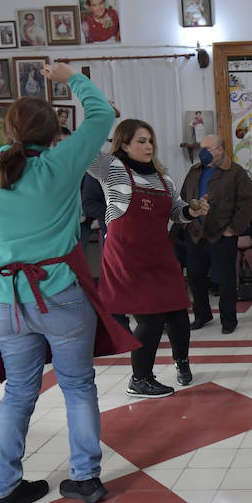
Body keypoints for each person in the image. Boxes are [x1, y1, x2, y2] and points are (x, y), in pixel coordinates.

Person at [0, 63, 134, 503]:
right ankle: (85, 478)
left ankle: (3, 490)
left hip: (7, 300)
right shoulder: (60, 164)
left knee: (18, 393)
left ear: (9, 131)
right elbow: (101, 116)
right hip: (59, 293)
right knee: (78, 387)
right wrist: (69, 77)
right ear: (52, 132)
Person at [89, 119, 208, 397]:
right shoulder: (112, 169)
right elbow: (83, 150)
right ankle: (140, 379)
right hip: (127, 257)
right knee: (151, 318)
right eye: (141, 141)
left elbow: (176, 212)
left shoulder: (163, 178)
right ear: (124, 144)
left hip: (159, 254)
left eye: (150, 141)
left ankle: (182, 363)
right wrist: (102, 116)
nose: (148, 146)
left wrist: (193, 211)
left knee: (178, 313)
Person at [181, 133, 252, 333]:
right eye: (201, 148)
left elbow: (246, 204)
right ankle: (202, 315)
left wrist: (233, 229)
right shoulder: (194, 171)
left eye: (208, 148)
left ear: (220, 150)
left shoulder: (236, 172)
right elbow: (183, 197)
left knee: (226, 280)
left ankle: (228, 319)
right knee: (195, 277)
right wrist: (187, 223)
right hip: (196, 234)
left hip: (222, 235)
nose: (202, 152)